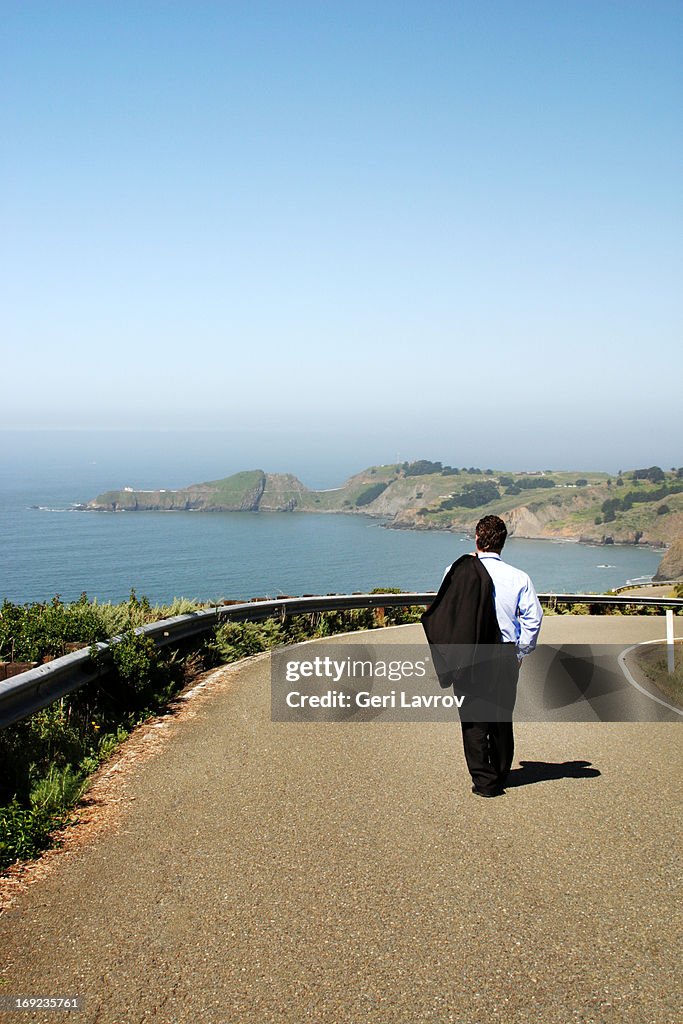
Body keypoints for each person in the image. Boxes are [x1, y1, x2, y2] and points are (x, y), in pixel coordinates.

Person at [423, 514, 543, 797]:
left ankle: (484, 781)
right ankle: (501, 773)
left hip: (469, 652)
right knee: (501, 716)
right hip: (504, 654)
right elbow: (533, 619)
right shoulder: (519, 577)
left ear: (476, 539)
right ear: (503, 543)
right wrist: (520, 652)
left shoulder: (456, 570)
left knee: (473, 719)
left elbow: (446, 612)